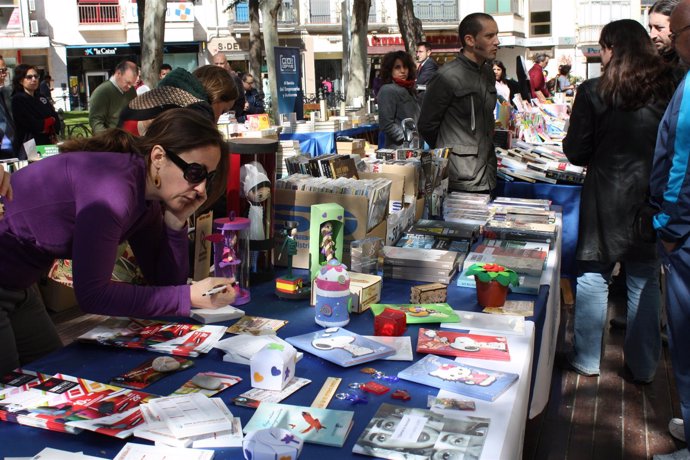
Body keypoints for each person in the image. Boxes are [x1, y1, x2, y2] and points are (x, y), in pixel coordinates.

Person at [0, 108, 237, 376]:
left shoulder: (144, 195)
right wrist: (190, 295)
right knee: (11, 396)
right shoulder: (113, 192)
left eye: (209, 176)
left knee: (51, 378)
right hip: (9, 281)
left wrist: (176, 222)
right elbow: (93, 295)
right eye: (195, 172)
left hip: (20, 286)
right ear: (158, 157)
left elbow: (165, 283)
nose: (202, 189)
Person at [560, 20, 675, 385]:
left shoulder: (594, 90)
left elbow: (576, 151)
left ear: (611, 48)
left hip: (605, 197)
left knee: (594, 277)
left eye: (602, 47)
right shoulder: (667, 87)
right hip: (650, 196)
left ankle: (587, 358)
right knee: (643, 278)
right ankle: (643, 365)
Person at [649, 2, 690, 457]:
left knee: (685, 336)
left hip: (683, 231)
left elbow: (679, 164)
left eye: (672, 33)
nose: (668, 42)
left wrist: (668, 225)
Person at [418, 12, 499, 193]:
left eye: (496, 35)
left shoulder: (488, 73)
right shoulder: (446, 76)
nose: (497, 41)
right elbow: (426, 125)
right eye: (489, 36)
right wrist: (453, 153)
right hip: (460, 178)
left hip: (487, 173)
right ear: (470, 40)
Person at [118, 66, 238, 136]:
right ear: (217, 96)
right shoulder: (197, 112)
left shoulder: (165, 95)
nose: (217, 120)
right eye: (222, 111)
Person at [11, 64, 61, 159]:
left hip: (47, 143)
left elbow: (54, 117)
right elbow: (31, 123)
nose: (34, 79)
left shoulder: (41, 97)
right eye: (29, 77)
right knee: (33, 170)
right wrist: (47, 122)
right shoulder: (18, 99)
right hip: (29, 144)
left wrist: (51, 122)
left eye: (36, 76)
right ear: (21, 80)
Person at [376, 50, 420, 149]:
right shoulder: (387, 90)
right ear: (390, 70)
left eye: (405, 67)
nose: (403, 71)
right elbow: (386, 124)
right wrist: (408, 137)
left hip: (414, 148)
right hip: (399, 150)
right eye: (397, 67)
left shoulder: (409, 89)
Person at [88, 60, 138, 133]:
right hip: (110, 140)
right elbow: (95, 121)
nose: (130, 86)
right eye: (127, 82)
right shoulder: (102, 92)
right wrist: (109, 140)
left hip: (128, 137)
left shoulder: (131, 90)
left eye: (132, 83)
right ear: (118, 74)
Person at [212, 53, 246, 121]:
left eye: (221, 63)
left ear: (227, 64)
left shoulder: (234, 79)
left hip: (230, 118)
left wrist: (233, 115)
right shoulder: (208, 79)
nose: (219, 66)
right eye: (216, 63)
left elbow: (240, 100)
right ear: (212, 64)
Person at [0, 56, 15, 159]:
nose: (5, 74)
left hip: (12, 147)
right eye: (2, 70)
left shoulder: (7, 92)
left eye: (5, 70)